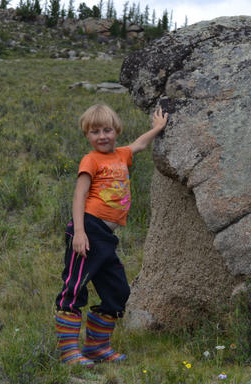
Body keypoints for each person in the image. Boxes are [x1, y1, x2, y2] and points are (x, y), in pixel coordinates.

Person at [54, 103, 168, 366]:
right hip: (89, 229)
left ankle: (97, 347)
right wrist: (79, 233)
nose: (102, 136)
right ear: (87, 135)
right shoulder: (91, 159)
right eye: (95, 132)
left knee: (117, 290)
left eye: (107, 130)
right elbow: (79, 195)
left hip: (106, 237)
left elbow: (139, 144)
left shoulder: (121, 155)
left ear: (116, 131)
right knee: (75, 286)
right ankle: (69, 352)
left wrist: (157, 128)